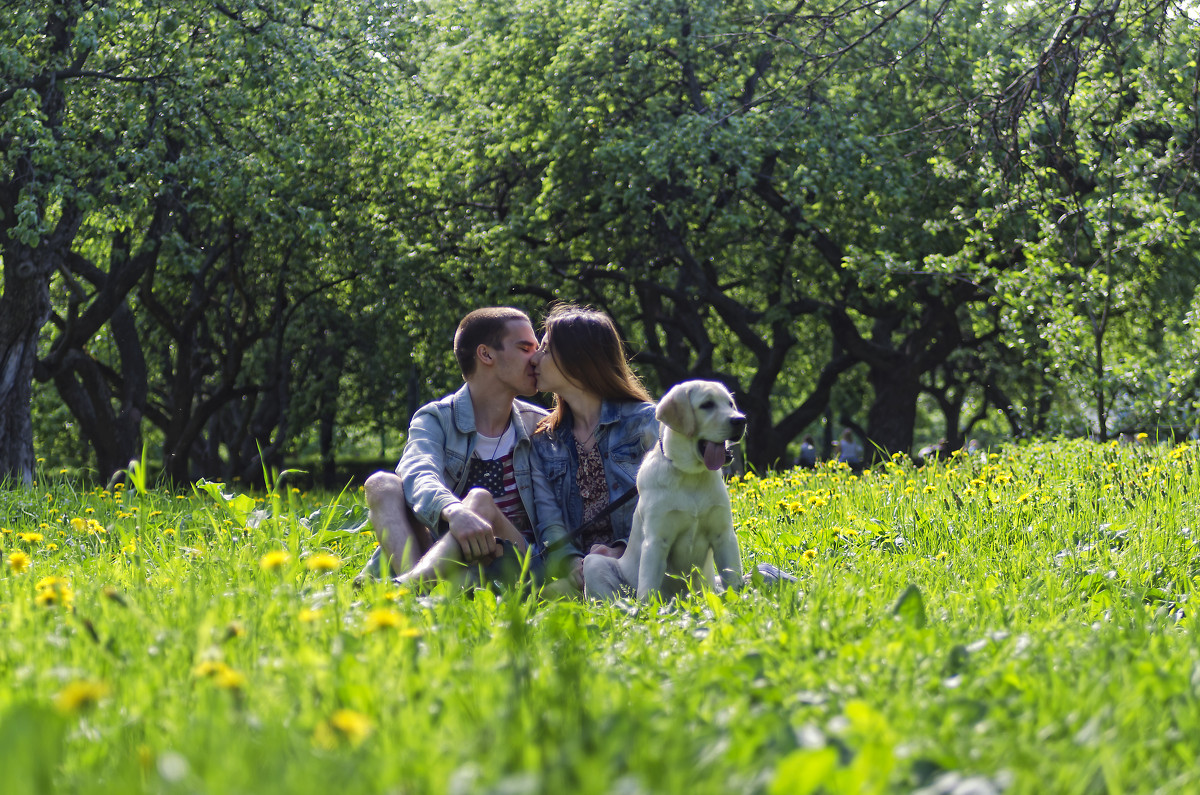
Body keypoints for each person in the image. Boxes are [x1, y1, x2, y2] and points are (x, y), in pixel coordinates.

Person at [357, 307, 547, 589]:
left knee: (479, 500)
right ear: (486, 355)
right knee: (381, 483)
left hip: (511, 558)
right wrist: (454, 511)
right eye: (525, 348)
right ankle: (416, 588)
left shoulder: (539, 424)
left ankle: (409, 589)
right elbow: (417, 471)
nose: (536, 358)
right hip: (443, 552)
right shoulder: (436, 418)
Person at [528, 304, 658, 592]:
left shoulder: (646, 423)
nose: (534, 358)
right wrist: (572, 561)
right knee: (538, 604)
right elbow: (549, 520)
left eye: (546, 349)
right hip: (583, 574)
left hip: (646, 558)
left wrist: (622, 551)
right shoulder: (544, 441)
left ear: (578, 358)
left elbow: (667, 500)